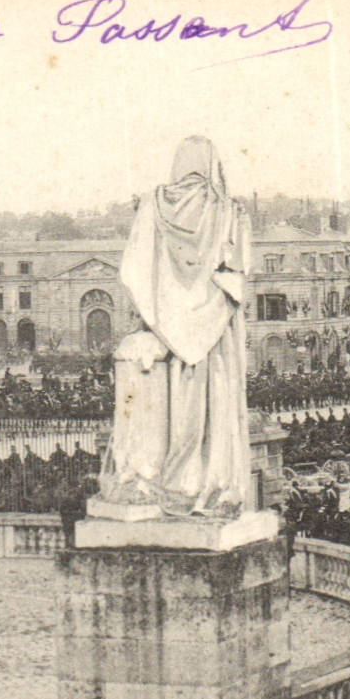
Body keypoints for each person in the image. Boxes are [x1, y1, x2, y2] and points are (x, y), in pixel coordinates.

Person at [98, 135, 252, 517]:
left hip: (165, 326)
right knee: (210, 405)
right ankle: (201, 481)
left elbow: (134, 267)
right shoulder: (227, 208)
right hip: (212, 326)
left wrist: (161, 307)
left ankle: (163, 478)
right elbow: (237, 269)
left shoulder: (154, 203)